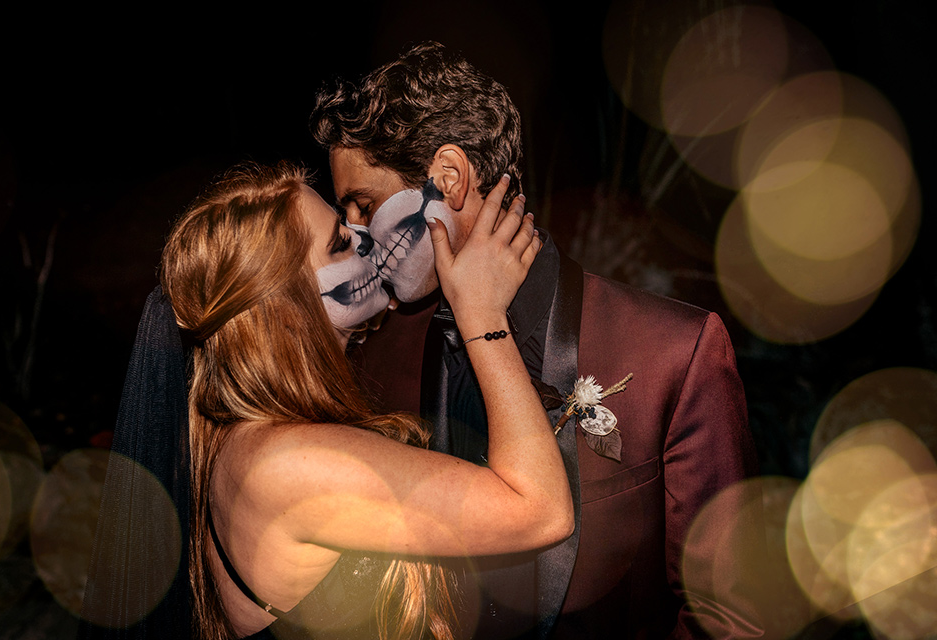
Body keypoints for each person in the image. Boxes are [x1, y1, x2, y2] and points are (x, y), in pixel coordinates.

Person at [310, 42, 762, 639]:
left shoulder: (674, 350)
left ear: (449, 177)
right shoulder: (378, 360)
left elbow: (729, 618)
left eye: (364, 206)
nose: (358, 237)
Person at [77, 162, 574, 640]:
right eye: (339, 242)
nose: (365, 238)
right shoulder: (289, 464)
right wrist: (482, 311)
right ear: (289, 313)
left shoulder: (238, 433)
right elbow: (541, 511)